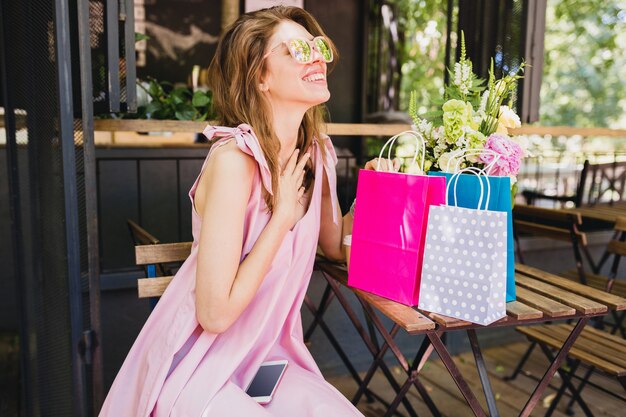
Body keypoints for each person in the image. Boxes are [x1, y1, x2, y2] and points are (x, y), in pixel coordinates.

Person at [99, 6, 396, 417]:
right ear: (259, 76)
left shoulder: (318, 155)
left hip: (267, 361)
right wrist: (281, 220)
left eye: (318, 47)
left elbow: (335, 246)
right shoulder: (233, 161)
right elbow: (215, 314)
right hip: (198, 366)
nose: (315, 57)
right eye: (295, 48)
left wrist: (375, 194)